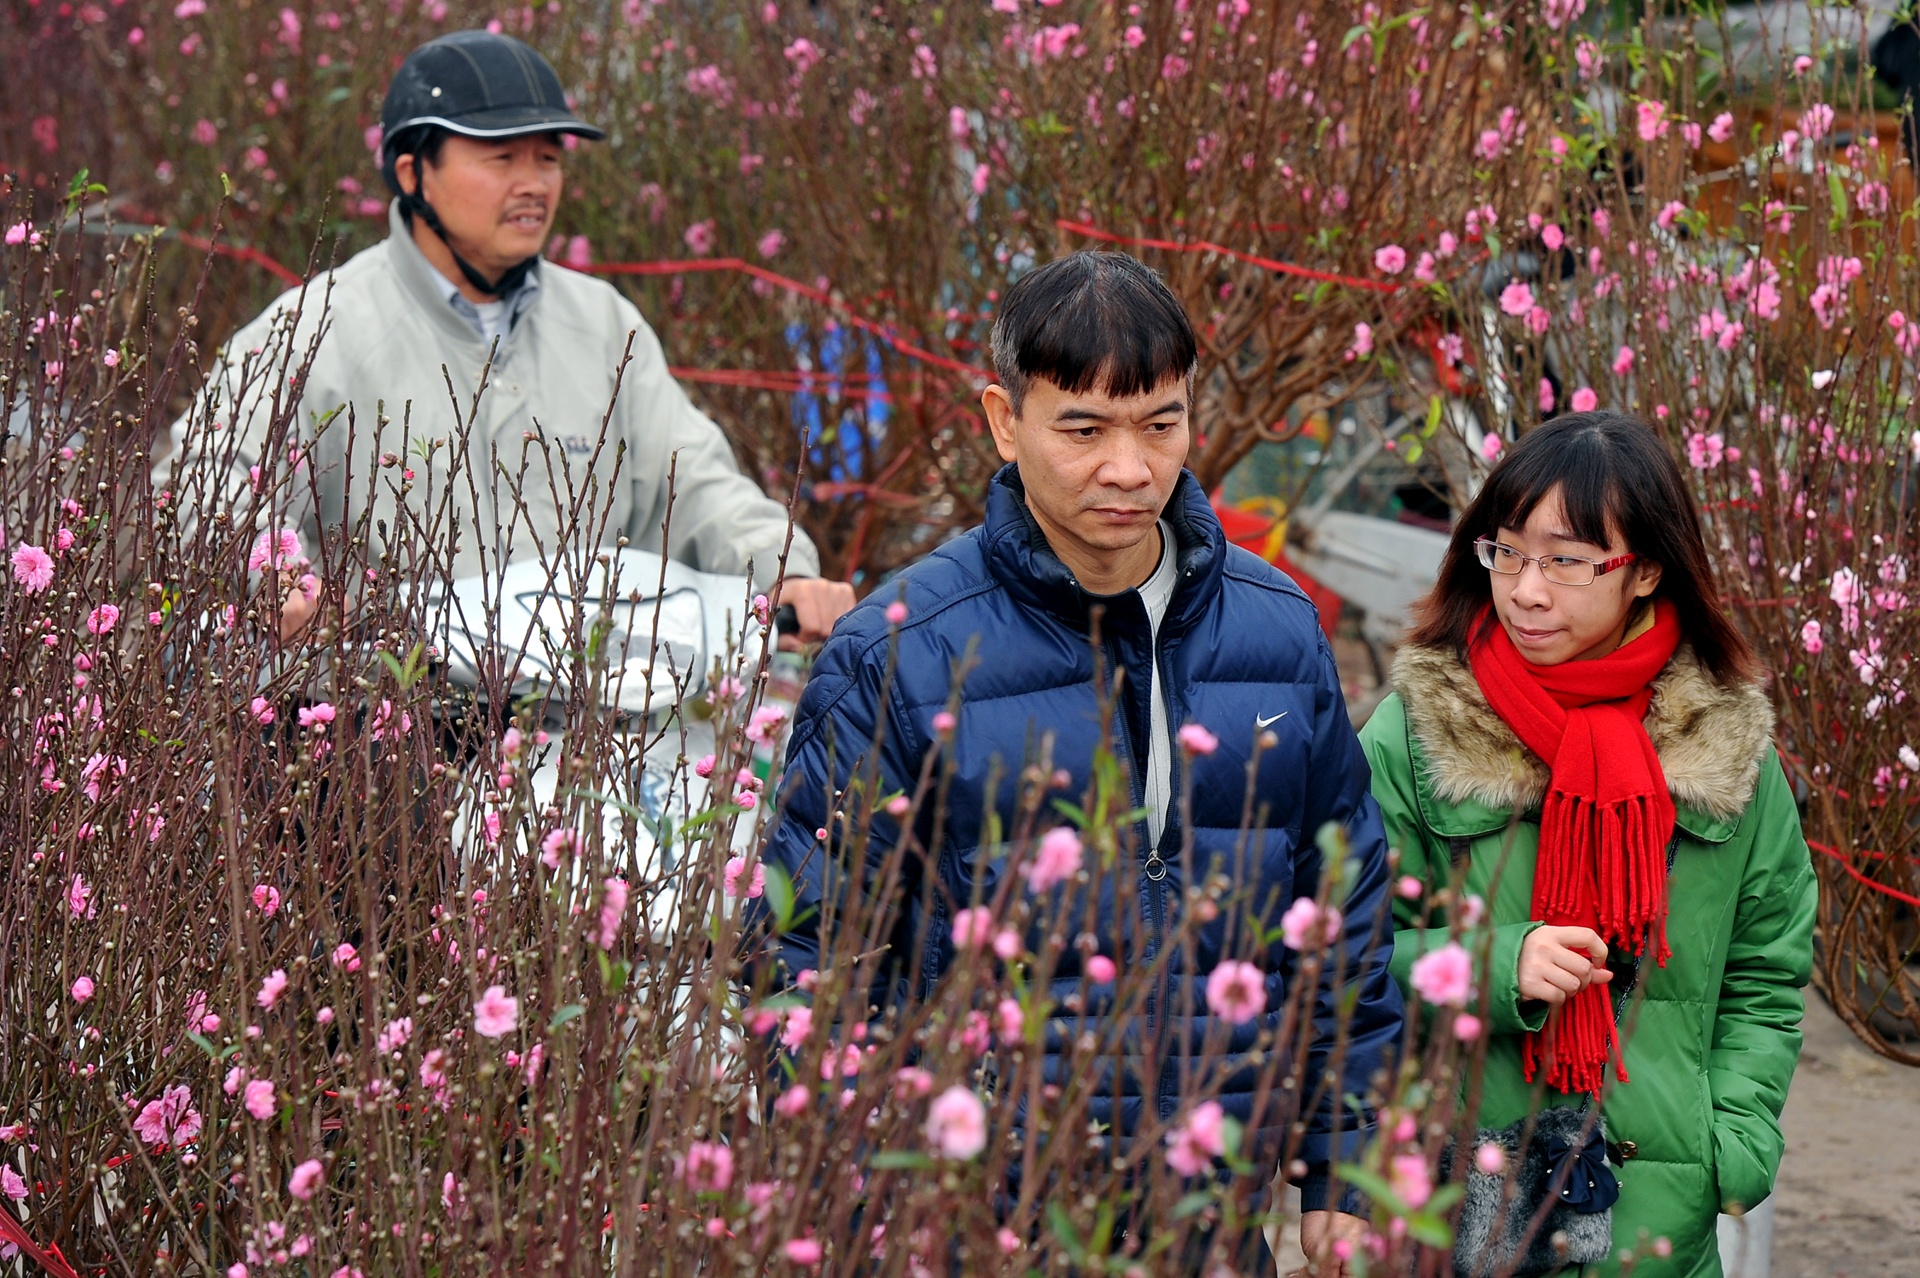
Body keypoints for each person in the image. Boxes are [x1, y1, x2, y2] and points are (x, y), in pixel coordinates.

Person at [760, 251, 1401, 1273]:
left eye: (1160, 423)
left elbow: (1348, 916)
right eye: (1084, 428)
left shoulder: (1278, 629)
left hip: (1210, 1219)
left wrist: (1342, 1164)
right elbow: (807, 962)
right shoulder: (901, 648)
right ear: (1004, 421)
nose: (1130, 468)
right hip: (973, 1220)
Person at [155, 30, 853, 642]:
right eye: (500, 157)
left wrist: (779, 569)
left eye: (547, 159)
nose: (533, 184)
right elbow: (202, 484)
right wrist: (276, 581)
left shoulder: (604, 323)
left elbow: (693, 478)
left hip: (583, 748)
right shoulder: (316, 331)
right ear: (412, 172)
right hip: (381, 742)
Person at [1360, 411, 1815, 1277]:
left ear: (1643, 570)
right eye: (1509, 553)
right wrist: (1499, 966)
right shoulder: (1416, 737)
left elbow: (1768, 968)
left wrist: (1735, 1145)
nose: (1528, 590)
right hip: (1460, 1211)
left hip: (1660, 1223)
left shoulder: (1724, 748)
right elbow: (1343, 961)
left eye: (1567, 561)